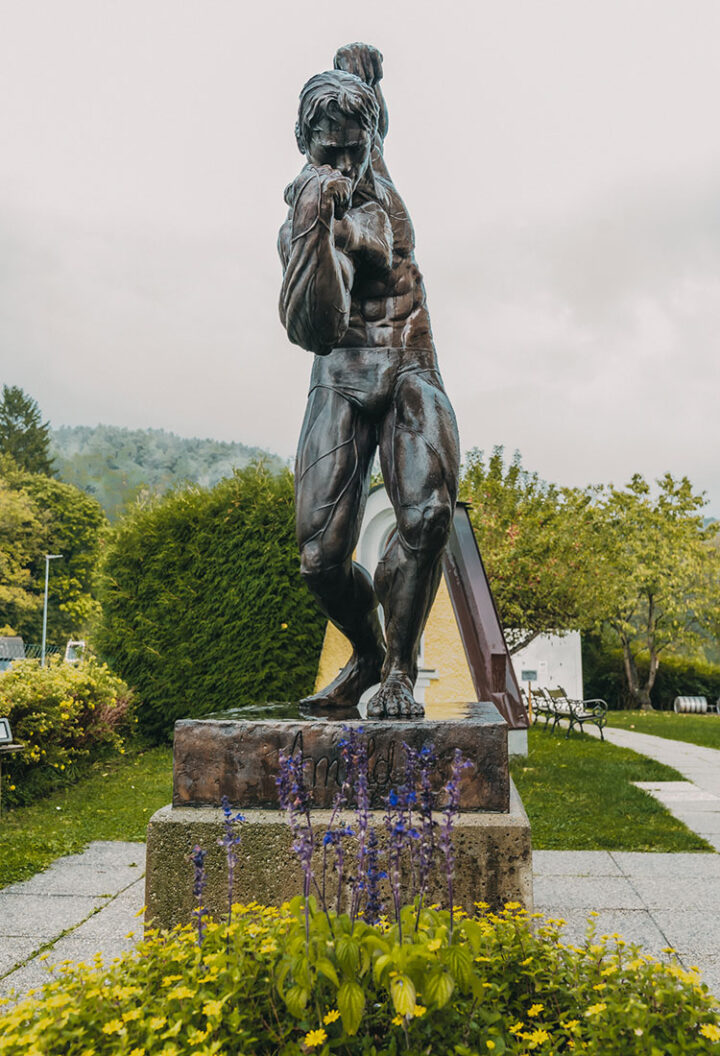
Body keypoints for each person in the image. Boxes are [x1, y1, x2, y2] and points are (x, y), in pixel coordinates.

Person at [278, 43, 459, 718]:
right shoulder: (301, 213)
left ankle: (402, 675)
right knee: (319, 558)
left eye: (357, 149)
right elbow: (315, 328)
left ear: (370, 140)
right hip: (340, 373)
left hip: (409, 359)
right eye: (332, 154)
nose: (345, 164)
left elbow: (373, 237)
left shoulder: (378, 192)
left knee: (429, 513)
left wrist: (356, 68)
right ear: (310, 146)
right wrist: (315, 231)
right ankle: (369, 655)